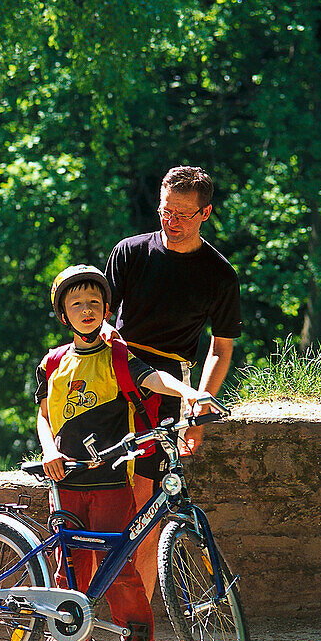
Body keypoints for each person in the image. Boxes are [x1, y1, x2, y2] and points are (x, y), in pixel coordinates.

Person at [34, 265, 206, 641]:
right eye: (76, 304)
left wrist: (187, 392)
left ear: (107, 308)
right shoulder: (52, 363)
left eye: (95, 302)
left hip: (111, 480)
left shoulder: (116, 354)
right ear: (63, 315)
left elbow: (154, 378)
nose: (87, 309)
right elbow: (42, 415)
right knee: (68, 568)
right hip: (66, 482)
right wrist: (50, 450)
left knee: (120, 567)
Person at [103, 165, 242, 613]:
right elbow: (100, 318)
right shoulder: (129, 252)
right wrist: (117, 350)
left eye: (183, 213)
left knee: (147, 513)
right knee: (88, 501)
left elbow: (221, 348)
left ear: (206, 213)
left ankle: (137, 636)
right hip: (112, 378)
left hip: (168, 391)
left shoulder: (219, 274)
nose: (172, 220)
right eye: (166, 210)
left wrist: (197, 415)